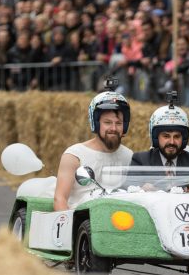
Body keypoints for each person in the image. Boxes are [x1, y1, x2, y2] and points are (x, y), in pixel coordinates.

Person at [53, 80, 133, 210]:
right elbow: (60, 199)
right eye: (107, 122)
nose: (113, 128)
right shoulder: (74, 155)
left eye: (118, 123)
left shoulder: (129, 155)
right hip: (81, 222)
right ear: (96, 123)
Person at [131, 98, 189, 193]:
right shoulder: (140, 161)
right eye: (166, 136)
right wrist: (142, 191)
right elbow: (129, 195)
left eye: (177, 136)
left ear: (184, 139)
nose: (172, 142)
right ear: (155, 137)